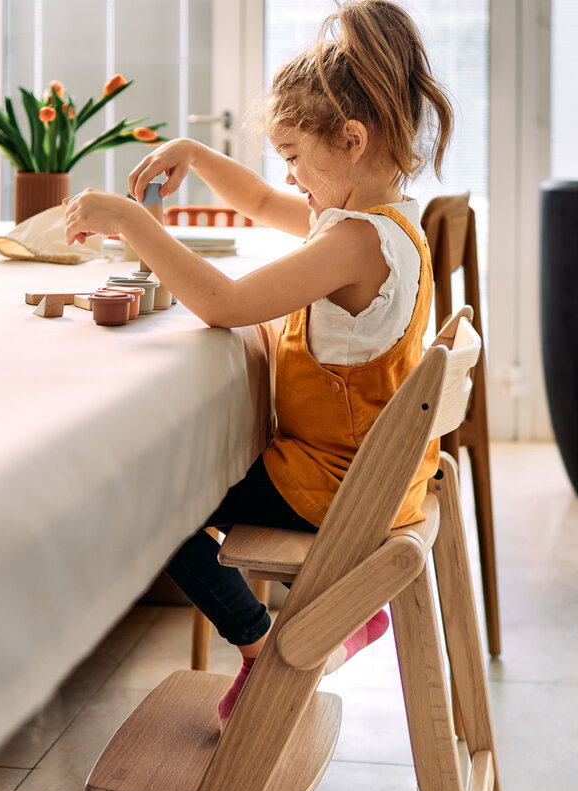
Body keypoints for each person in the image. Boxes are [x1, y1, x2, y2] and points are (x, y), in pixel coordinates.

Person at [64, 0, 453, 729]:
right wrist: (192, 151)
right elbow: (258, 200)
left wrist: (132, 221)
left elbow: (222, 303)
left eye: (297, 159)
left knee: (153, 507)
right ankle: (344, 617)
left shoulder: (352, 245)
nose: (293, 179)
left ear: (352, 139)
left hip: (333, 488)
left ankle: (263, 643)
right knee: (190, 479)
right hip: (372, 476)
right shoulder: (379, 221)